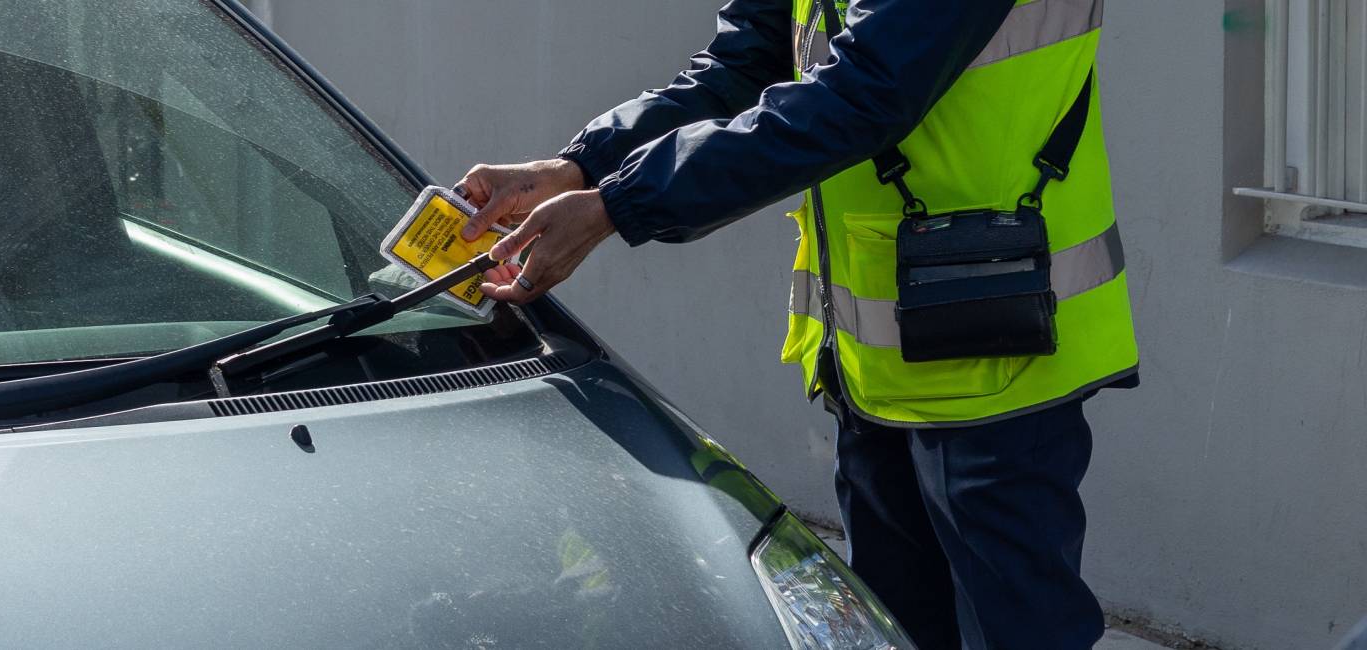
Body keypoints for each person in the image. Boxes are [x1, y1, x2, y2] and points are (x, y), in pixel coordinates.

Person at [453, 0, 1139, 647]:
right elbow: (746, 64)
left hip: (1001, 343)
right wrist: (580, 168)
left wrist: (618, 203)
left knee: (1017, 629)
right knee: (889, 629)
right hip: (875, 359)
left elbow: (868, 89)